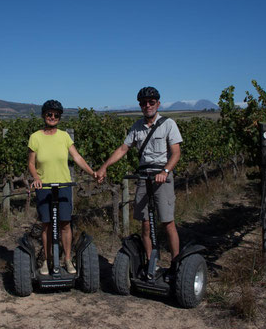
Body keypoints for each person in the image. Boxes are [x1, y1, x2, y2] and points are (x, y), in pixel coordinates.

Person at [96, 86, 182, 267]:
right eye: (144, 103)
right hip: (144, 177)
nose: (148, 105)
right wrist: (104, 166)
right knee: (145, 223)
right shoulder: (136, 127)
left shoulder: (168, 124)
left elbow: (175, 153)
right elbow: (123, 149)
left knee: (167, 222)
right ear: (140, 106)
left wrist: (165, 171)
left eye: (151, 102)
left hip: (162, 177)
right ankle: (151, 262)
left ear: (158, 103)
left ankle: (176, 263)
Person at [28, 99, 96, 275]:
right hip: (44, 186)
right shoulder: (35, 137)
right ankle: (47, 259)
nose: (52, 117)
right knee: (47, 224)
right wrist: (36, 178)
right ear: (44, 115)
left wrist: (92, 173)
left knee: (65, 223)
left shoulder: (64, 136)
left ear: (59, 117)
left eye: (56, 115)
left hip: (64, 185)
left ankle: (67, 259)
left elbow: (77, 158)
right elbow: (31, 163)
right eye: (49, 114)